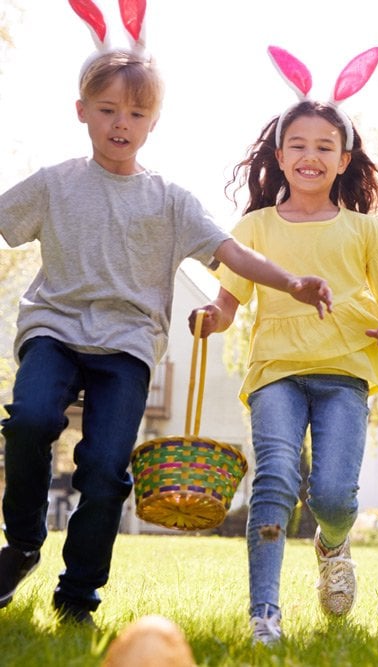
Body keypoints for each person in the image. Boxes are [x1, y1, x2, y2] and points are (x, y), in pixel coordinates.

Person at [0, 3, 332, 628]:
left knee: (102, 468)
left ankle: (78, 594)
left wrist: (290, 280)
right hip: (54, 330)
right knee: (31, 420)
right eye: (107, 110)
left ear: (153, 122)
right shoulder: (54, 184)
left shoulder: (170, 200)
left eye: (136, 113)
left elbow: (229, 252)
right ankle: (20, 545)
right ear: (82, 112)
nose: (121, 123)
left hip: (126, 345)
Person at [190, 45, 378, 645]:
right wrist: (211, 319)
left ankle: (334, 542)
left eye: (324, 147)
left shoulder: (367, 231)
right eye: (298, 145)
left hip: (345, 372)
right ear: (279, 154)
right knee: (274, 482)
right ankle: (264, 613)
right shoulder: (255, 229)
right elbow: (227, 304)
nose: (310, 156)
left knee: (335, 494)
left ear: (344, 159)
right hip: (276, 372)